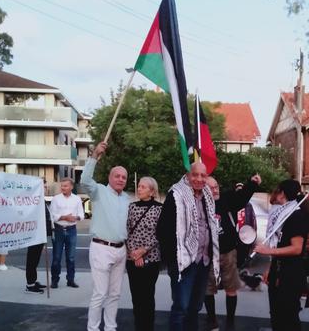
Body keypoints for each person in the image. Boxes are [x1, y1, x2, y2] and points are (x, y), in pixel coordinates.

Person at [156, 162, 220, 331]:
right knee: (181, 307)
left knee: (195, 307)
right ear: (188, 175)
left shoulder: (207, 195)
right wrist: (173, 261)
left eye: (203, 175)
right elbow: (162, 230)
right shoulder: (176, 195)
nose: (199, 179)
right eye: (195, 175)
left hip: (203, 261)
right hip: (183, 263)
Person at [81, 141, 130, 331]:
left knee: (115, 294)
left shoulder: (126, 198)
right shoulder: (99, 191)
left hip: (121, 250)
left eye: (124, 177)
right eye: (117, 176)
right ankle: (93, 329)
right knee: (100, 294)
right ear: (109, 177)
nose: (120, 179)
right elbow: (85, 180)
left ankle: (110, 327)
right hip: (101, 248)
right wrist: (94, 156)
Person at [204, 174, 260, 330]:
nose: (216, 190)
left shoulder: (227, 198)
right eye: (212, 188)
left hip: (228, 251)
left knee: (231, 287)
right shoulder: (199, 203)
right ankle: (211, 320)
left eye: (217, 187)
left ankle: (230, 321)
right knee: (208, 288)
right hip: (208, 253)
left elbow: (241, 198)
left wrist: (252, 184)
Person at [254, 179, 309, 331]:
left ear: (282, 194)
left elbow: (297, 248)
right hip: (278, 269)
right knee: (276, 314)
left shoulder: (296, 215)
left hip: (290, 273)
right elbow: (278, 242)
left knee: (288, 316)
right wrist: (269, 267)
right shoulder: (283, 214)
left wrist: (268, 251)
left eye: (277, 191)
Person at [126, 177, 163, 331]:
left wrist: (143, 251)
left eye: (143, 187)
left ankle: (148, 327)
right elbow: (126, 230)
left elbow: (159, 233)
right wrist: (134, 253)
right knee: (136, 296)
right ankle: (138, 326)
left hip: (152, 258)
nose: (139, 189)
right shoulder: (132, 207)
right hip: (132, 258)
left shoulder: (159, 208)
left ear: (152, 191)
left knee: (147, 296)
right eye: (138, 186)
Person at [49, 177, 84, 288]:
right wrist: (65, 217)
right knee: (56, 258)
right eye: (62, 186)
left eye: (65, 186)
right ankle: (54, 281)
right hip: (59, 230)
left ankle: (70, 280)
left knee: (71, 258)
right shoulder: (55, 199)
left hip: (71, 230)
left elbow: (82, 215)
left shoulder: (77, 199)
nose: (63, 188)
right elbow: (52, 216)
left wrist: (75, 218)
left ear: (71, 187)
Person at [24, 177, 53, 294]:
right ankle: (30, 284)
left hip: (41, 234)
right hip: (34, 235)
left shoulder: (42, 200)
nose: (45, 188)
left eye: (45, 186)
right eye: (43, 186)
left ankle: (33, 280)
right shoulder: (33, 201)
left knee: (35, 259)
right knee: (32, 259)